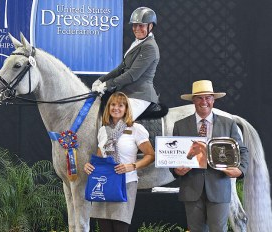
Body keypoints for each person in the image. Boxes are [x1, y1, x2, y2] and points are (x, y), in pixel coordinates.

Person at [172, 80, 249, 232]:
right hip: (192, 188)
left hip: (219, 186)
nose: (204, 101)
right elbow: (175, 156)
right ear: (193, 100)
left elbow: (242, 151)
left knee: (218, 229)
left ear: (214, 100)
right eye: (200, 98)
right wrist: (175, 170)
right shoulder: (180, 125)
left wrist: (240, 170)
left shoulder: (229, 124)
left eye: (208, 97)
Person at [84, 92, 155, 232]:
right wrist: (90, 166)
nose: (116, 108)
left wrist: (132, 166)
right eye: (113, 104)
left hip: (125, 183)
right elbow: (100, 161)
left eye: (121, 105)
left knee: (119, 228)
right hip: (104, 184)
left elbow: (150, 155)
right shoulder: (103, 130)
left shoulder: (136, 129)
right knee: (104, 228)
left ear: (126, 108)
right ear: (108, 107)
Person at [92, 6, 160, 120]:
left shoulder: (149, 47)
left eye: (141, 25)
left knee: (118, 120)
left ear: (150, 26)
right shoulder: (138, 43)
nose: (136, 28)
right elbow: (121, 69)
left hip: (139, 95)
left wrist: (107, 85)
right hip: (127, 92)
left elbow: (132, 74)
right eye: (134, 25)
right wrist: (101, 80)